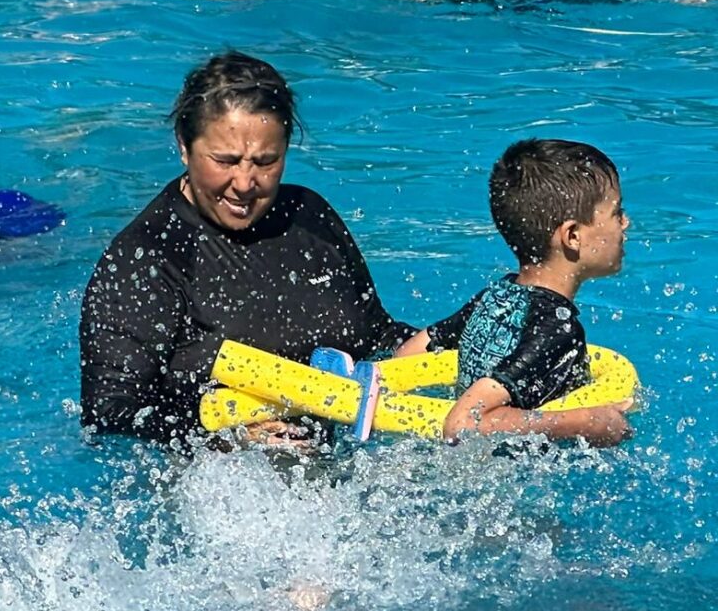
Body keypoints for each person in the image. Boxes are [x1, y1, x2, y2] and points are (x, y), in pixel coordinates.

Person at [80, 50, 415, 446]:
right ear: (184, 147)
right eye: (224, 160)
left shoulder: (310, 217)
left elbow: (377, 337)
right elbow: (109, 413)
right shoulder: (147, 258)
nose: (244, 182)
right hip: (216, 485)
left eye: (265, 161)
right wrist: (226, 431)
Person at [397, 138, 633, 446]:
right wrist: (588, 422)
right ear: (573, 236)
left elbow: (410, 353)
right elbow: (465, 422)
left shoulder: (496, 296)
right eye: (617, 213)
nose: (626, 223)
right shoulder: (557, 330)